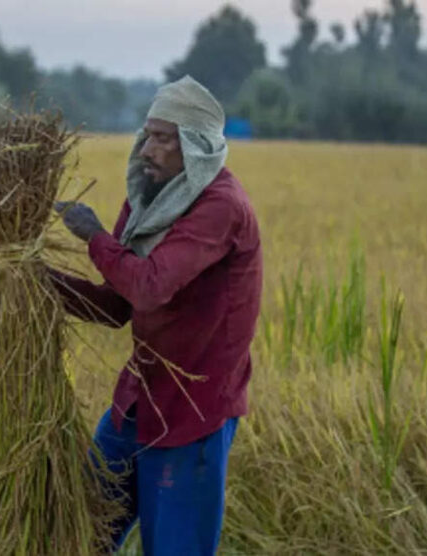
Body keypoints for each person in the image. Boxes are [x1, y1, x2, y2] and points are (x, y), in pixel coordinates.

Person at [51, 75, 263, 555]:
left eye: (163, 138)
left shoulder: (220, 207)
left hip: (191, 415)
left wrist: (95, 238)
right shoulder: (149, 197)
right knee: (81, 534)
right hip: (135, 405)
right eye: (147, 134)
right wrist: (40, 284)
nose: (147, 149)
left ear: (196, 146)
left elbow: (149, 287)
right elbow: (116, 305)